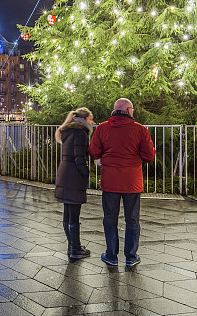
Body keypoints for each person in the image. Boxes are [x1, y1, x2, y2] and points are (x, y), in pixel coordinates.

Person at [88, 98, 156, 267]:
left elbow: (94, 151)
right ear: (128, 110)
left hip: (110, 180)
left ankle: (111, 255)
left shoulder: (102, 128)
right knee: (132, 219)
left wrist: (105, 159)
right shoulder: (140, 129)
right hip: (131, 182)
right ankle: (131, 257)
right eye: (132, 109)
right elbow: (149, 156)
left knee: (110, 218)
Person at [54, 107, 94, 260]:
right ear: (84, 119)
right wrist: (86, 173)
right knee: (74, 215)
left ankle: (72, 247)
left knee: (68, 214)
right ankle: (76, 249)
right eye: (90, 119)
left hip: (64, 173)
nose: (92, 122)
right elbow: (79, 158)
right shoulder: (80, 132)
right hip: (73, 176)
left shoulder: (67, 131)